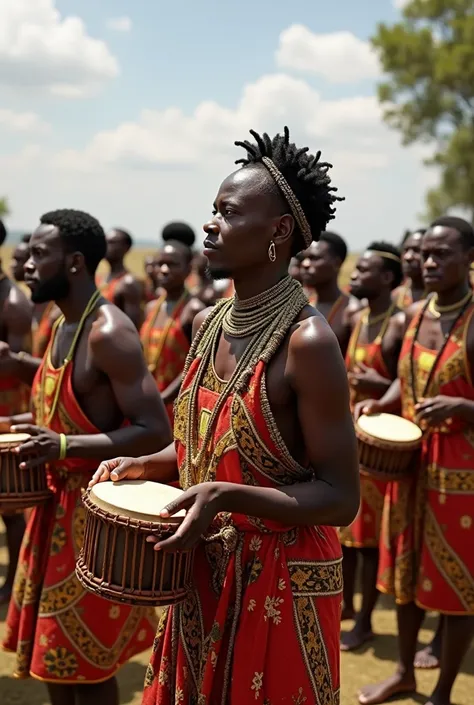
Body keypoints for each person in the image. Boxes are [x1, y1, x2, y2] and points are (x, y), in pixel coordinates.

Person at [90, 126, 360, 705]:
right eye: (213, 210)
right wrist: (147, 464)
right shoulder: (212, 320)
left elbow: (340, 497)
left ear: (279, 232)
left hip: (278, 581)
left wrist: (228, 498)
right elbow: (206, 447)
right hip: (204, 566)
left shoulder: (308, 340)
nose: (211, 223)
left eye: (229, 212)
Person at [0, 209, 172, 705]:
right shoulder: (60, 323)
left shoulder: (108, 331)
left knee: (90, 665)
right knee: (54, 657)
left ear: (75, 262)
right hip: (54, 512)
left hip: (95, 522)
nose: (27, 264)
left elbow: (152, 429)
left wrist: (61, 446)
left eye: (38, 254)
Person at [358, 216, 474, 705]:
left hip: (462, 474)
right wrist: (381, 403)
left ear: (469, 258)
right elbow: (408, 377)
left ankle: (444, 691)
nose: (429, 262)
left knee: (457, 586)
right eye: (425, 252)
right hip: (408, 466)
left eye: (442, 253)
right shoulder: (414, 315)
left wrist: (465, 407)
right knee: (403, 577)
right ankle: (404, 673)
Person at [339, 242, 404, 651]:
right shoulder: (356, 319)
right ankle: (345, 608)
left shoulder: (398, 325)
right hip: (350, 441)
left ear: (388, 279)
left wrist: (378, 390)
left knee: (369, 544)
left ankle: (365, 620)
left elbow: (406, 383)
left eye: (365, 270)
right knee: (347, 536)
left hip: (383, 449)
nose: (356, 275)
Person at [0, 222, 32, 605]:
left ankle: (14, 585)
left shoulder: (13, 304)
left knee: (8, 506)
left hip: (6, 410)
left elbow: (15, 365)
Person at [140, 241, 205, 425]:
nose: (164, 270)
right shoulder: (151, 308)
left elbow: (197, 365)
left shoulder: (194, 310)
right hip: (149, 403)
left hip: (176, 406)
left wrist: (162, 399)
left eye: (172, 264)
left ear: (188, 269)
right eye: (160, 264)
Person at [300, 232, 352, 353]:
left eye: (314, 258)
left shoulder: (351, 312)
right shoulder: (302, 305)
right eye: (305, 258)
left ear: (337, 263)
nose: (305, 264)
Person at [100, 227, 143, 328]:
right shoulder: (100, 279)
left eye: (112, 242)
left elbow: (132, 326)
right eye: (105, 242)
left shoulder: (128, 283)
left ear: (126, 248)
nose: (106, 247)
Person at [392, 229, 426, 309]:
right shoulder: (394, 297)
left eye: (417, 250)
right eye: (406, 250)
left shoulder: (441, 297)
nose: (408, 257)